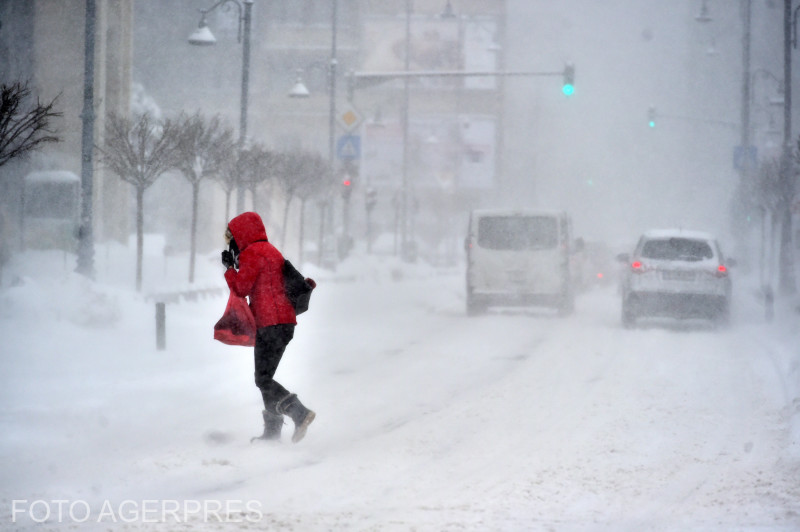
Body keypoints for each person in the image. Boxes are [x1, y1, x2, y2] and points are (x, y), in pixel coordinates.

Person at [221, 211, 316, 443]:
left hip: (270, 323)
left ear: (240, 235)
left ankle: (298, 412)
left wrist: (229, 269)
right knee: (264, 377)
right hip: (283, 322)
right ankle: (272, 433)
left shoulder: (252, 253)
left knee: (263, 379)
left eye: (230, 239)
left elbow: (241, 289)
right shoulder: (271, 250)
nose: (231, 244)